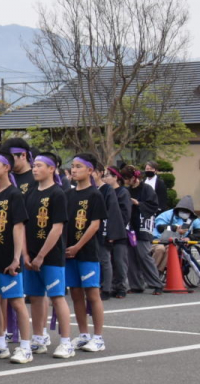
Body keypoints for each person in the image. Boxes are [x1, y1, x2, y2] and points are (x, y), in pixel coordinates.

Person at [22, 153, 77, 358]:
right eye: (33, 166)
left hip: (51, 256)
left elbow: (57, 228)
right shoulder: (30, 194)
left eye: (39, 166)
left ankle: (65, 342)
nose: (34, 169)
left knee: (57, 297)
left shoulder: (58, 193)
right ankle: (38, 338)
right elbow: (24, 226)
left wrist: (41, 255)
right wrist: (26, 254)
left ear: (51, 168)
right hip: (31, 254)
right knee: (35, 297)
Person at [0, 151, 34, 364]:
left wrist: (17, 257)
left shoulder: (14, 194)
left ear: (7, 167)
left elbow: (18, 227)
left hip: (8, 257)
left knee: (16, 302)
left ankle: (25, 346)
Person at [65, 154, 106, 351]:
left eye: (79, 166)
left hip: (87, 252)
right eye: (72, 166)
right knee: (75, 293)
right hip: (69, 252)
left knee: (92, 293)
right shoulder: (68, 195)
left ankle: (98, 337)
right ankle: (83, 334)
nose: (74, 170)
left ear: (90, 171)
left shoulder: (95, 194)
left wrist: (78, 246)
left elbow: (95, 225)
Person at [125, 165, 161, 293]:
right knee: (131, 255)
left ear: (134, 178)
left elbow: (153, 205)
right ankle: (136, 285)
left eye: (127, 178)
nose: (126, 181)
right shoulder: (127, 190)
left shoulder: (147, 189)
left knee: (144, 254)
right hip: (131, 225)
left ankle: (156, 284)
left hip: (143, 225)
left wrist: (138, 204)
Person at [151, 195, 200, 283]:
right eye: (183, 210)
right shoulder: (167, 215)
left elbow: (199, 232)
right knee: (160, 249)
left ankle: (159, 272)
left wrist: (189, 238)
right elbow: (159, 227)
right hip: (159, 240)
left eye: (187, 211)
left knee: (171, 249)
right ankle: (151, 272)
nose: (184, 213)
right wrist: (175, 228)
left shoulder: (193, 219)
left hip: (176, 243)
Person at [101, 166, 132, 299]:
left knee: (119, 261)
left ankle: (121, 287)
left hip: (119, 231)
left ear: (116, 178)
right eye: (105, 175)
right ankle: (110, 285)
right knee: (107, 260)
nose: (105, 178)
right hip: (106, 230)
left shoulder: (123, 192)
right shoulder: (104, 191)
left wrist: (117, 228)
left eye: (108, 175)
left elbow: (125, 214)